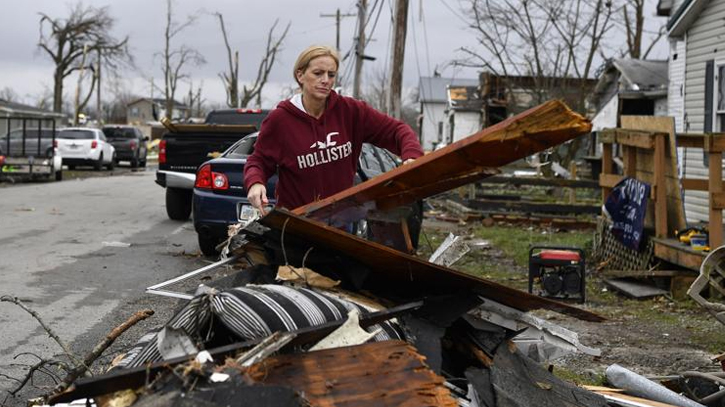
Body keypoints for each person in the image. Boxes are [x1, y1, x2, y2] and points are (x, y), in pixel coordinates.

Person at [244, 45, 424, 215]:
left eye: (331, 75)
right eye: (318, 73)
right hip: (294, 224)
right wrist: (255, 183)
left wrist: (412, 157)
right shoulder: (281, 120)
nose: (325, 80)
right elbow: (258, 160)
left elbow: (397, 130)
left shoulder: (351, 111)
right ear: (300, 75)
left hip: (340, 222)